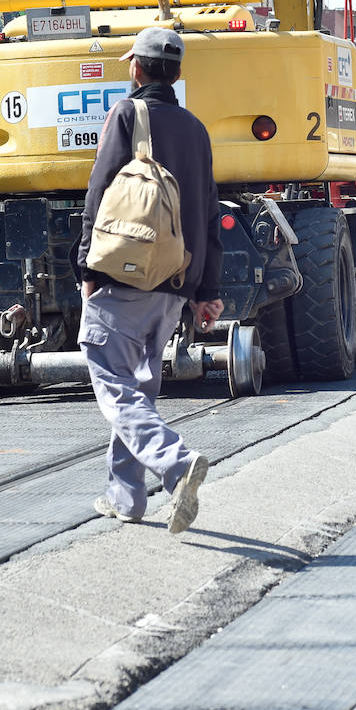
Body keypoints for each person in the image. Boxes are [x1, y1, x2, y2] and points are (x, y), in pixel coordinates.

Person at [77, 26, 224, 531]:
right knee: (137, 390)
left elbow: (100, 195)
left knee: (114, 387)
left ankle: (178, 464)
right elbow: (208, 212)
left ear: (137, 68)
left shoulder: (125, 114)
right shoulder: (197, 129)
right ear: (177, 74)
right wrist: (206, 292)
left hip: (121, 276)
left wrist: (87, 267)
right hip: (173, 287)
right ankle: (126, 499)